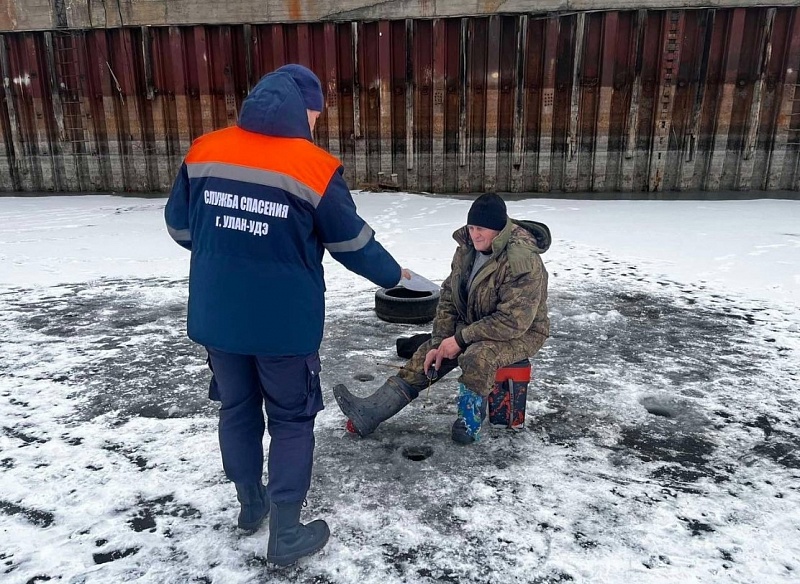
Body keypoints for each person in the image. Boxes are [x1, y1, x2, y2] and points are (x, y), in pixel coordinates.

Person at [164, 64, 410, 565]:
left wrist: (226, 249)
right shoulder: (312, 166)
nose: (316, 124)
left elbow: (180, 227)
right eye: (316, 114)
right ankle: (287, 531)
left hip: (219, 319)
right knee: (292, 419)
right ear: (304, 109)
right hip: (284, 326)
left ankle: (249, 505)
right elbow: (351, 242)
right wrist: (394, 278)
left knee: (235, 409)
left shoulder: (204, 150)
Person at [334, 193, 550, 444]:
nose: (475, 234)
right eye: (471, 227)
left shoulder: (522, 262)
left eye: (482, 228)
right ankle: (372, 412)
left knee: (478, 356)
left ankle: (469, 423)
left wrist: (459, 339)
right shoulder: (467, 250)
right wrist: (439, 342)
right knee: (427, 353)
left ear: (499, 229)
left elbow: (513, 321)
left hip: (522, 333)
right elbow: (448, 298)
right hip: (475, 323)